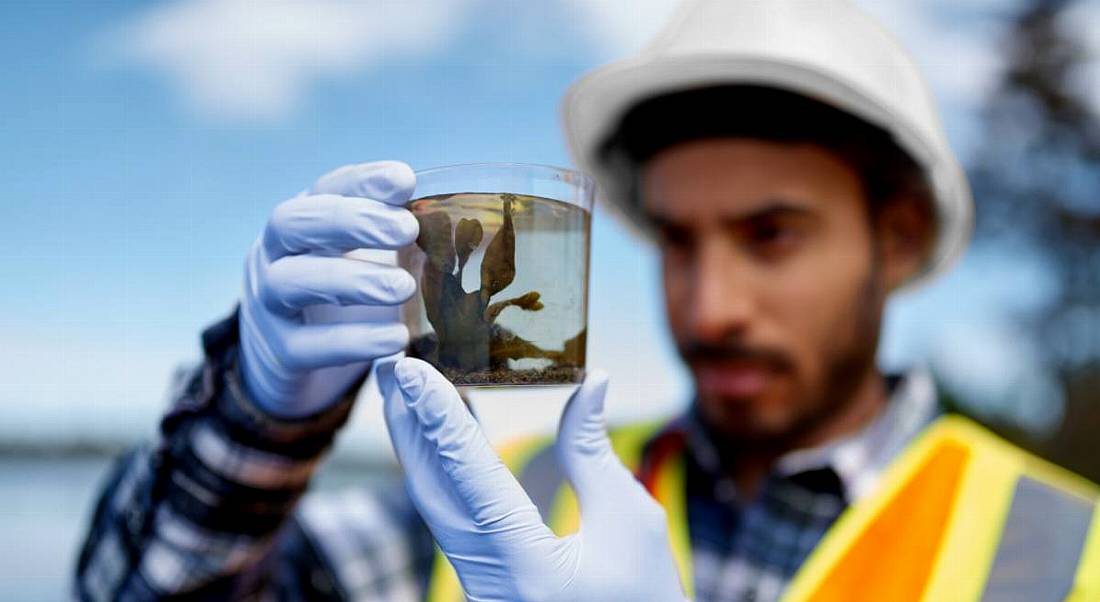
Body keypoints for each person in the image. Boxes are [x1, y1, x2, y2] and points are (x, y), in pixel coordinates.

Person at [75, 0, 1100, 600]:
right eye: (675, 239)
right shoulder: (510, 500)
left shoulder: (1066, 552)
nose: (709, 307)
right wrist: (260, 419)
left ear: (898, 235)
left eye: (770, 235)